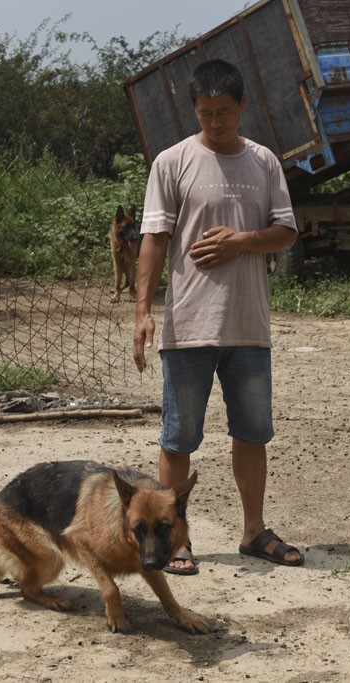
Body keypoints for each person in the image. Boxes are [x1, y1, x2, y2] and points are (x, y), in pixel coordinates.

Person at [132, 58, 303, 575]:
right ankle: (174, 540)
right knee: (179, 437)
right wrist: (142, 309)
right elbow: (154, 240)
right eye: (205, 113)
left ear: (243, 105)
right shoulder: (172, 162)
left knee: (252, 432)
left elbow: (286, 231)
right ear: (195, 110)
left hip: (249, 327)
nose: (215, 122)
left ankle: (253, 532)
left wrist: (241, 242)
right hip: (187, 326)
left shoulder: (264, 163)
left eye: (224, 112)